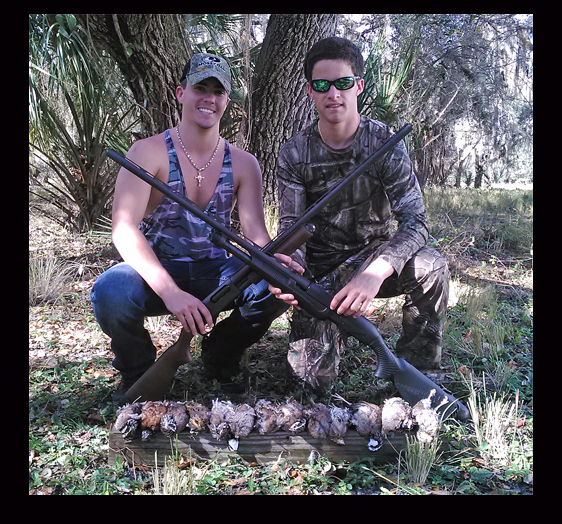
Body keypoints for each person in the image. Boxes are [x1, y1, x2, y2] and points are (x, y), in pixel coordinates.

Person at [91, 53, 293, 401]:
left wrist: (275, 263)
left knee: (276, 285)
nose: (209, 98)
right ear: (181, 93)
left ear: (226, 101)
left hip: (216, 271)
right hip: (156, 271)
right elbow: (123, 229)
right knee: (111, 292)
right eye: (201, 88)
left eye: (218, 91)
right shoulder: (147, 152)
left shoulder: (245, 164)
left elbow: (256, 236)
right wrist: (171, 293)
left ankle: (220, 355)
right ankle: (138, 371)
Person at [271, 37, 450, 392]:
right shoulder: (293, 153)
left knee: (431, 267)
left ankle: (419, 373)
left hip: (374, 261)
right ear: (309, 90)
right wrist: (291, 271)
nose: (333, 93)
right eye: (322, 85)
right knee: (310, 388)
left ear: (359, 86)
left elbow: (416, 223)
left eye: (343, 82)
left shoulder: (385, 143)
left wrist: (374, 273)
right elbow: (292, 227)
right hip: (319, 275)